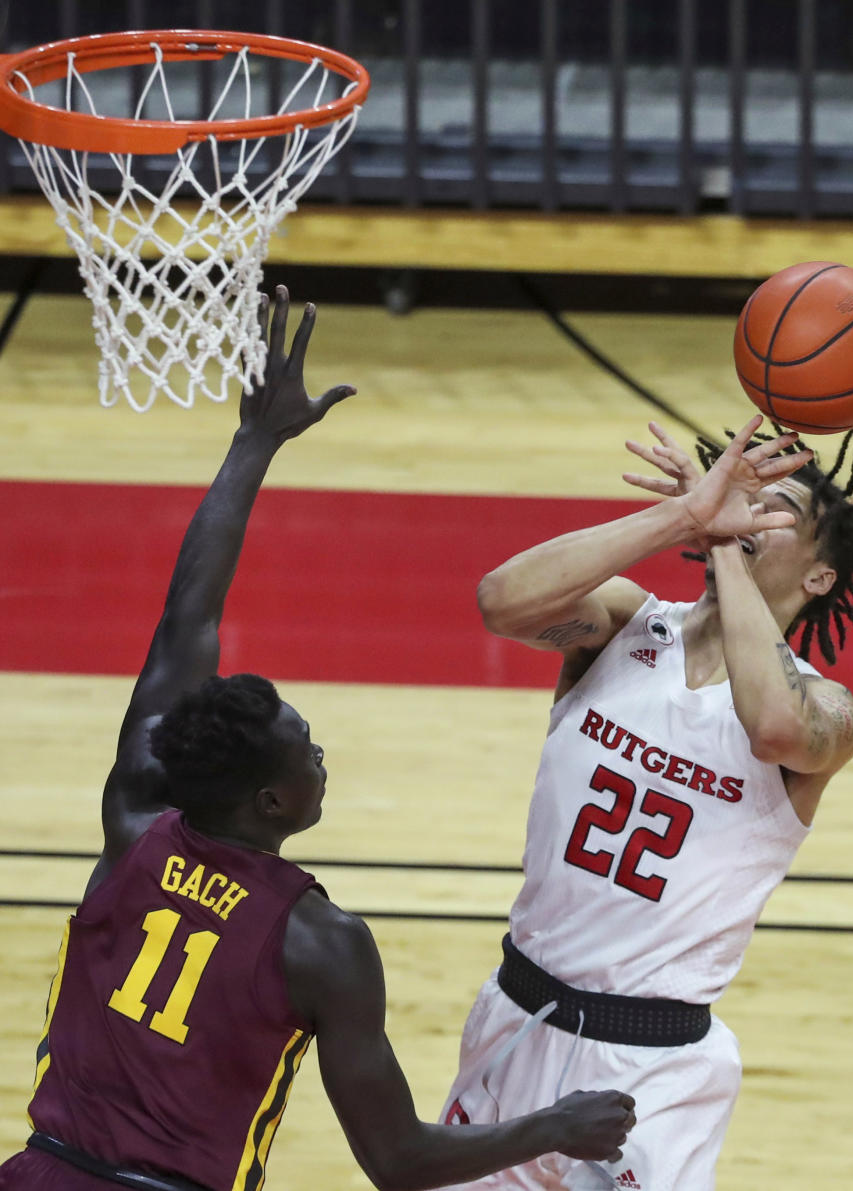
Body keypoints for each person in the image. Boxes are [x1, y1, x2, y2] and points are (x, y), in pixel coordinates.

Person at [0, 287, 636, 1191]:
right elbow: (399, 1159)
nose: (321, 755)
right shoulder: (318, 941)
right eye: (307, 749)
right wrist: (555, 1125)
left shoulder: (138, 821)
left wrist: (252, 443)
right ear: (271, 800)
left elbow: (188, 620)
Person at [439, 416, 853, 1191]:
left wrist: (724, 540)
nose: (748, 502)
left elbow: (770, 727)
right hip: (514, 1021)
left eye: (776, 506)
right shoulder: (624, 625)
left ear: (820, 575)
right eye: (743, 491)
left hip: (650, 1069)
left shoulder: (830, 712)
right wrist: (681, 518)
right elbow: (501, 600)